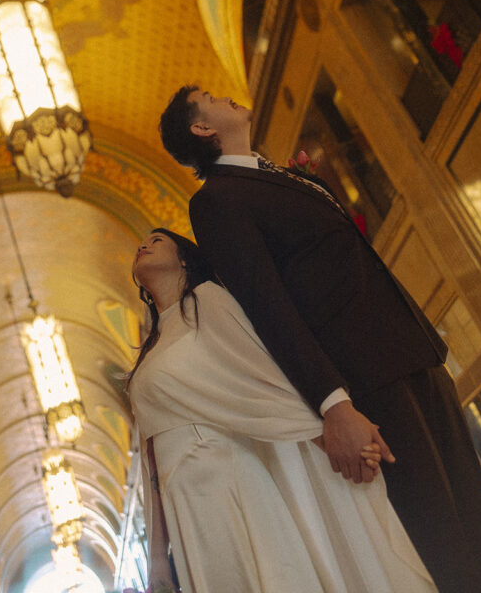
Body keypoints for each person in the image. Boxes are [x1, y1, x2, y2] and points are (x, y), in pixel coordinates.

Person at [158, 86, 481, 593]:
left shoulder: (272, 175)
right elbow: (266, 306)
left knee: (477, 517)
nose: (228, 95)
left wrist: (304, 187)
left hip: (412, 351)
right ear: (201, 129)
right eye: (210, 97)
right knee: (439, 533)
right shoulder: (215, 201)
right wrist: (333, 403)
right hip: (364, 378)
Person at [128, 227, 439, 593]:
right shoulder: (150, 349)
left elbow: (265, 378)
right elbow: (150, 459)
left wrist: (333, 432)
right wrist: (158, 562)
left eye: (157, 240)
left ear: (184, 258)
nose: (143, 244)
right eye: (143, 242)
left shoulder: (207, 300)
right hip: (181, 495)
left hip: (228, 478)